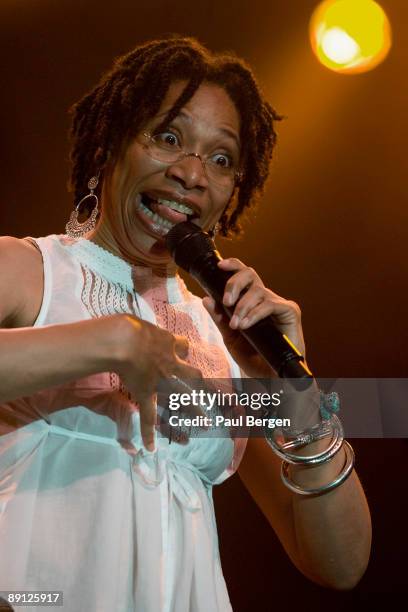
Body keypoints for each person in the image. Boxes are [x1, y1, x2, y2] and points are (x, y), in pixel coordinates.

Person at [0, 36, 371, 611]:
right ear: (108, 146)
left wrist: (294, 390)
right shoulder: (30, 271)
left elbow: (340, 562)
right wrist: (107, 341)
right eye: (167, 137)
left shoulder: (225, 343)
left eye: (221, 159)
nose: (193, 173)